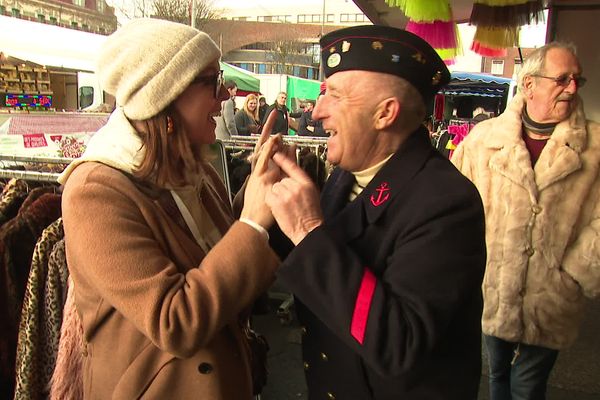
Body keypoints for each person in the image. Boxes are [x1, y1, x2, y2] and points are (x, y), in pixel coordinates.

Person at [58, 18, 283, 399]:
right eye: (212, 82)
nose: (226, 95)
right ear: (166, 93)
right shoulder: (95, 191)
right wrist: (252, 224)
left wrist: (259, 186)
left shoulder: (198, 172)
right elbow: (173, 321)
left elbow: (219, 259)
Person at [261, 25, 487, 399]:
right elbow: (320, 257)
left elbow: (399, 343)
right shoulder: (349, 172)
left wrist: (307, 228)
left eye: (333, 95)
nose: (317, 112)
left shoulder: (447, 201)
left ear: (385, 113)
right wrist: (266, 202)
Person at [452, 42, 600, 400]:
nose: (572, 88)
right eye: (562, 79)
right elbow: (454, 207)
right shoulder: (483, 141)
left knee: (527, 386)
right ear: (529, 83)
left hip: (551, 295)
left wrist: (575, 273)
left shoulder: (595, 145)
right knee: (497, 374)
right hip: (492, 288)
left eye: (577, 80)